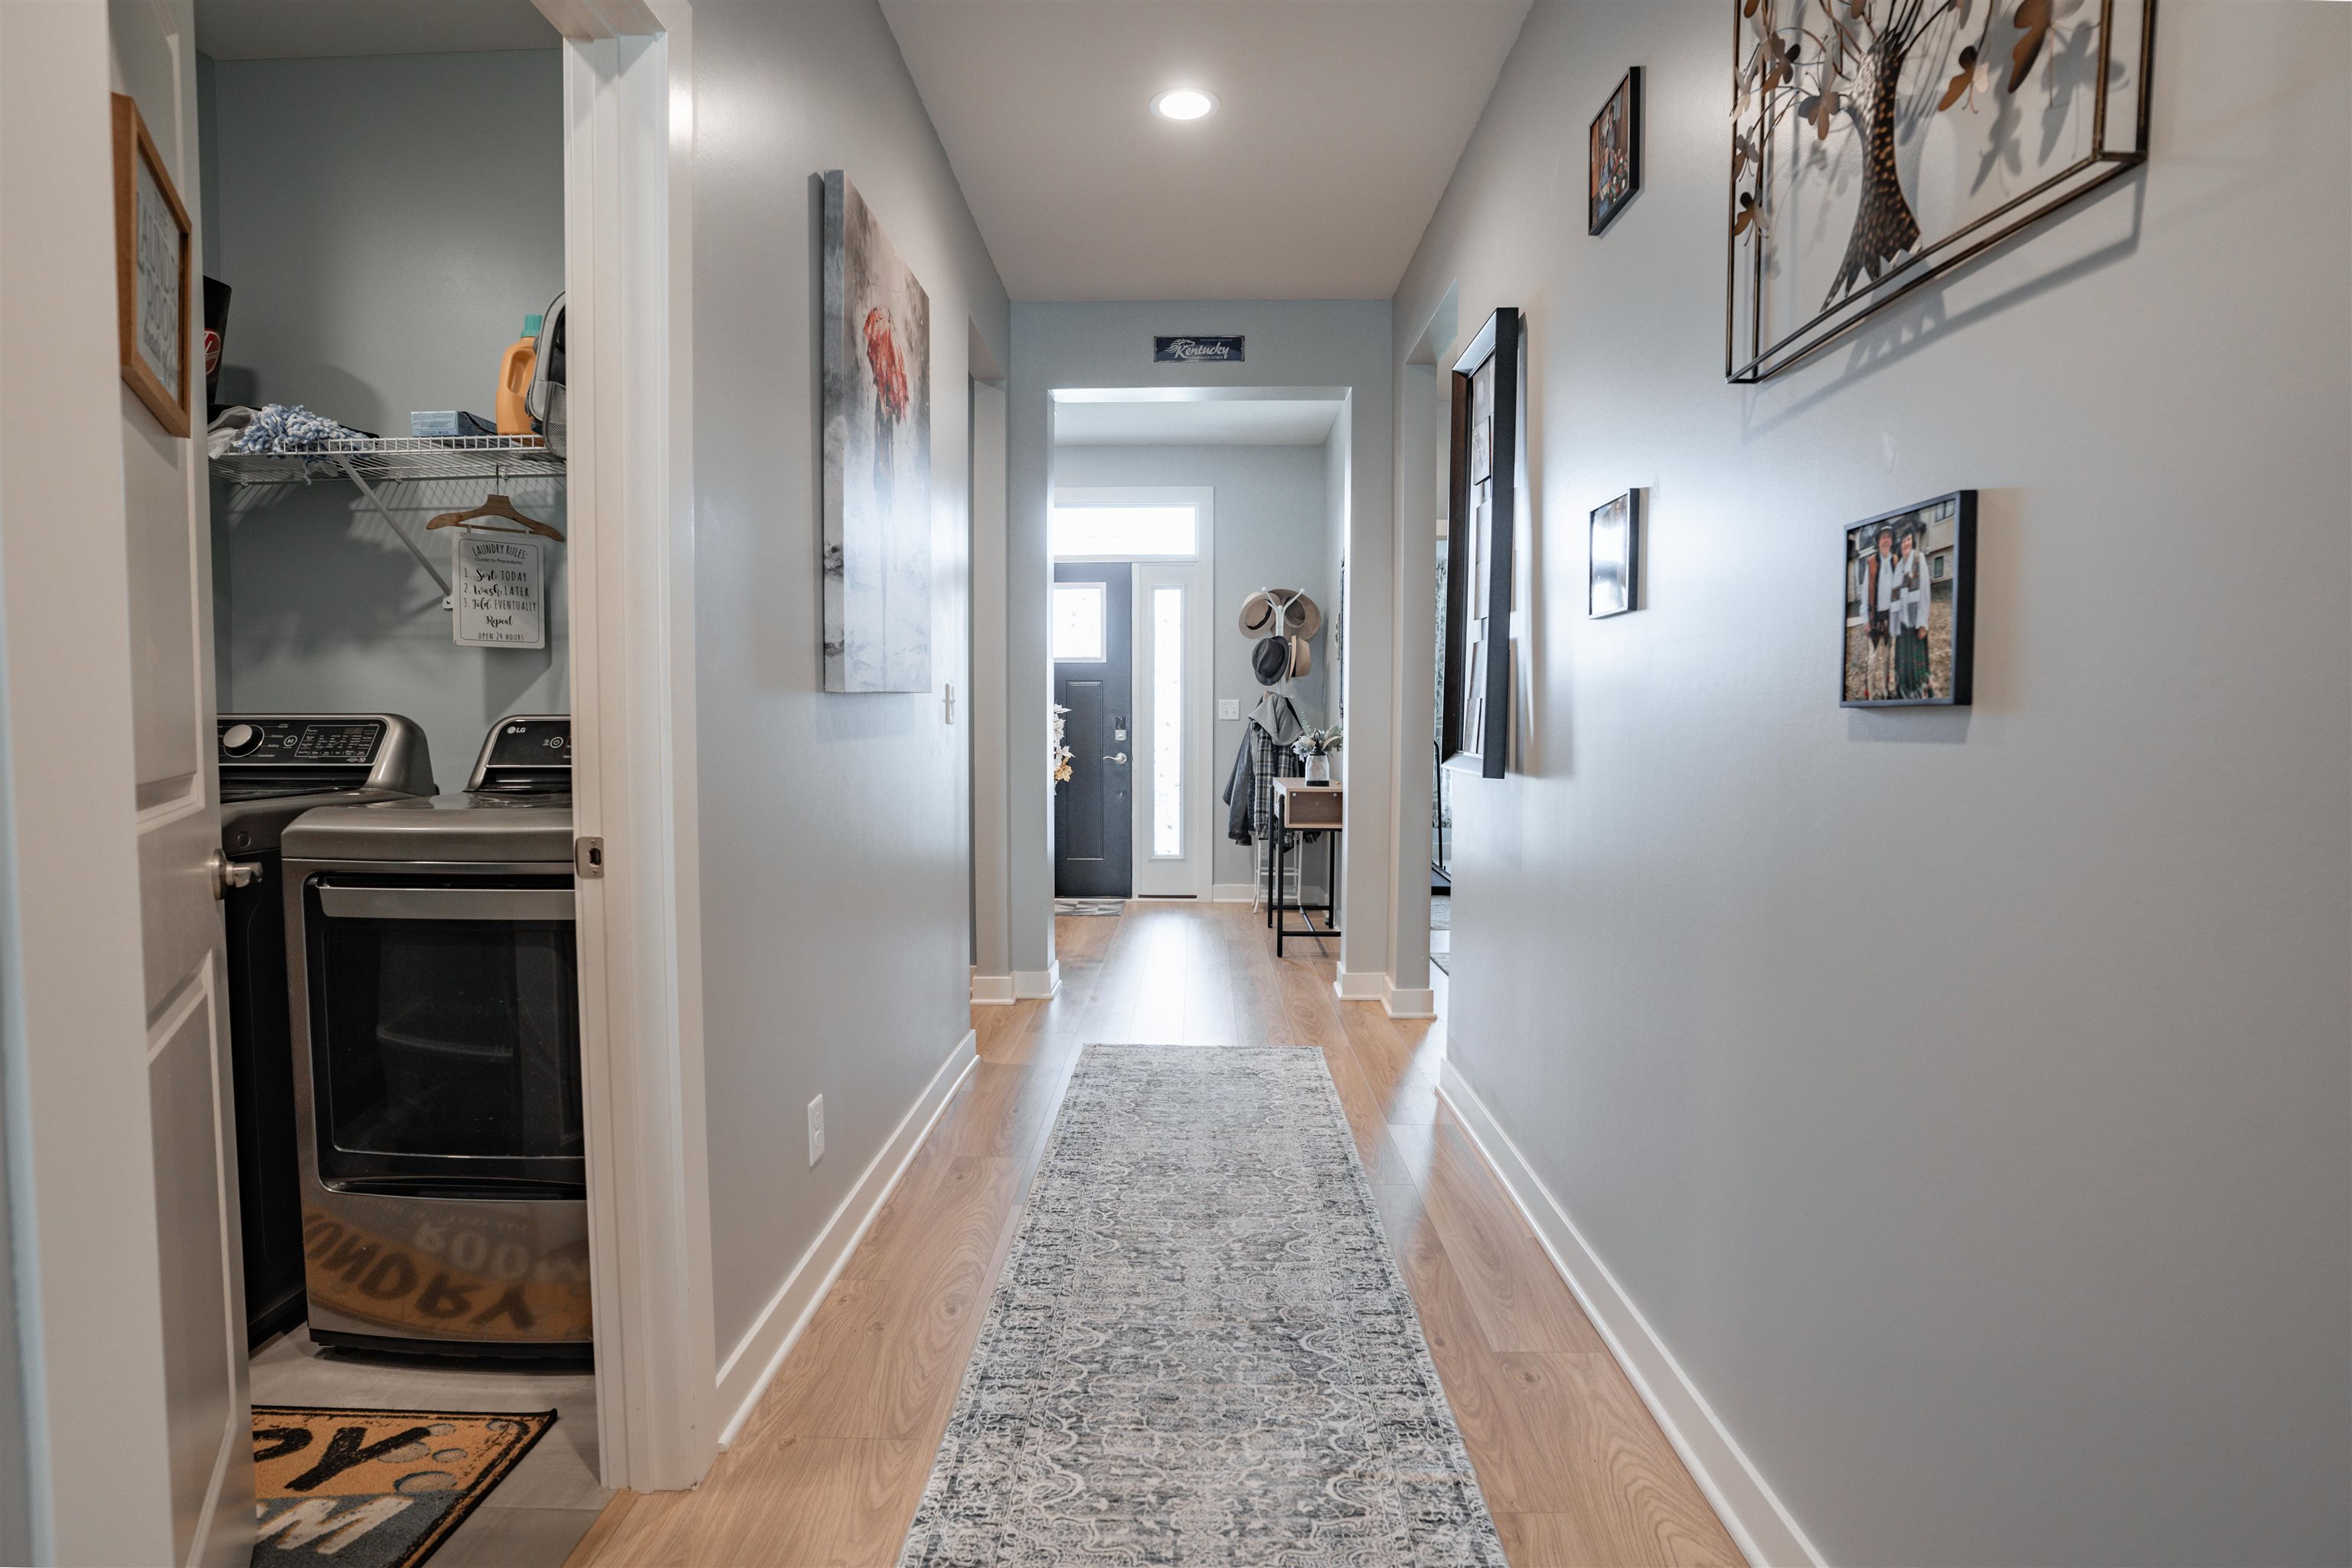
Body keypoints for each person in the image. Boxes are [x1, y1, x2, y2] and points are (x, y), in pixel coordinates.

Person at [1892, 524, 1931, 698]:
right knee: (1903, 662)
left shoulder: (1919, 559)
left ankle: (1918, 694)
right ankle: (1905, 692)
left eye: (1908, 540)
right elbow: (1895, 596)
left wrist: (1923, 623)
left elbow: (1925, 591)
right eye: (1903, 541)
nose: (1905, 543)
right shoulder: (1899, 566)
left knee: (1916, 662)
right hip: (1903, 624)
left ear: (1913, 542)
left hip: (1915, 622)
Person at [1867, 524, 1897, 698]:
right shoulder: (1872, 562)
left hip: (1889, 618)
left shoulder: (1895, 561)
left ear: (1891, 541)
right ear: (1878, 542)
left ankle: (1885, 691)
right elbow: (1866, 594)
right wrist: (1866, 620)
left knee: (1886, 658)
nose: (1886, 540)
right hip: (1875, 618)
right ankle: (1871, 694)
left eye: (1889, 537)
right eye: (1883, 537)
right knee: (1872, 660)